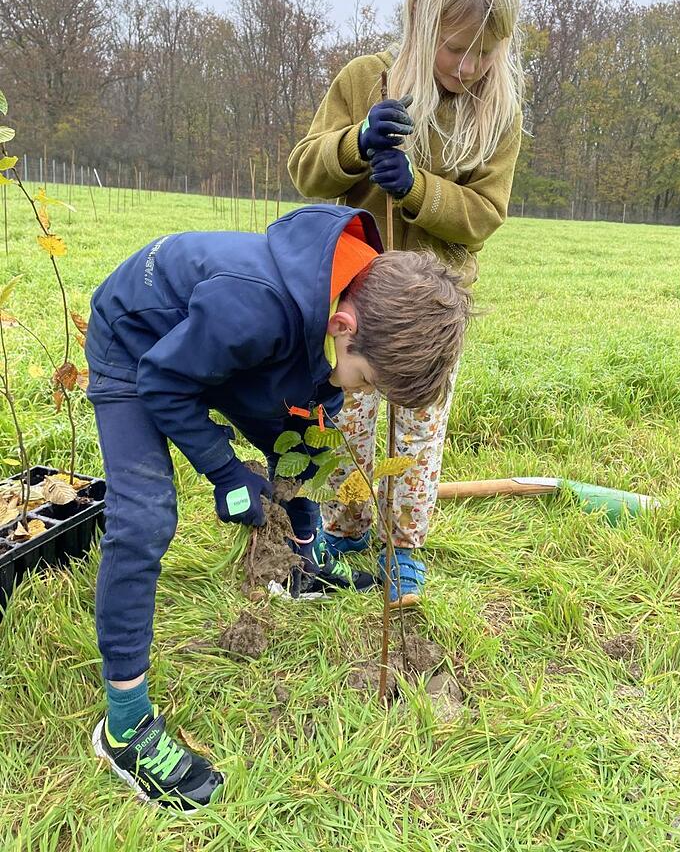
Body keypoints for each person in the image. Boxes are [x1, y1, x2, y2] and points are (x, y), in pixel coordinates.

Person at [85, 203, 471, 811]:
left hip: (208, 340)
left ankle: (300, 561)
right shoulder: (256, 308)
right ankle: (125, 724)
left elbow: (301, 403)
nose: (364, 390)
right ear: (343, 325)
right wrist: (223, 469)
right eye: (368, 377)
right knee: (146, 517)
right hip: (137, 344)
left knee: (306, 431)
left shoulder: (342, 298)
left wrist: (295, 478)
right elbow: (163, 381)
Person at [288, 0, 524, 607]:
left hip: (428, 314)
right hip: (357, 307)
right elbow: (306, 168)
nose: (469, 66)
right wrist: (357, 145)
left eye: (486, 52)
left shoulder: (497, 117)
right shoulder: (367, 81)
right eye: (455, 48)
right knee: (350, 426)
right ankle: (350, 527)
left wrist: (416, 189)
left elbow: (484, 213)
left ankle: (405, 548)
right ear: (421, 25)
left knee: (416, 438)